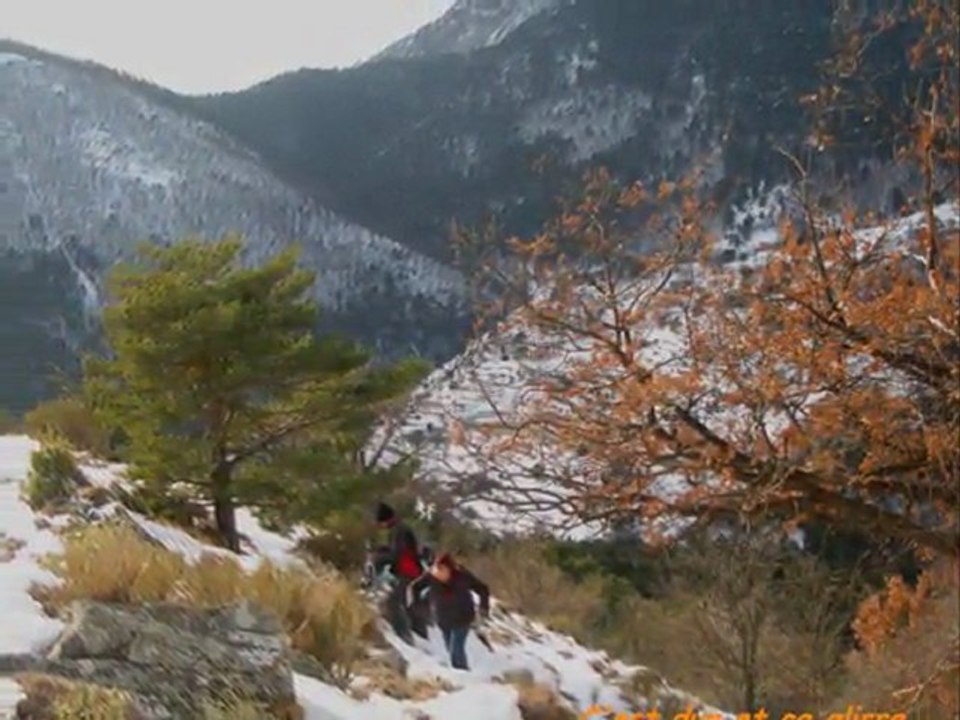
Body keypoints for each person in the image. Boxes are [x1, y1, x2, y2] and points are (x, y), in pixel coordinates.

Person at [407, 553, 490, 671]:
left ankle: (463, 675)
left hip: (463, 617)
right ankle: (465, 673)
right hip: (443, 618)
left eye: (442, 570)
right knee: (450, 649)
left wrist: (483, 607)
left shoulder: (462, 576)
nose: (439, 574)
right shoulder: (431, 576)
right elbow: (414, 587)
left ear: (450, 569)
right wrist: (415, 604)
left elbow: (482, 589)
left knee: (456, 649)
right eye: (437, 570)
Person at [372, 502, 429, 643]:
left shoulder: (399, 531)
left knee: (394, 602)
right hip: (411, 571)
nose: (381, 527)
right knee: (408, 603)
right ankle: (421, 635)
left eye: (381, 523)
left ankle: (405, 637)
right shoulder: (400, 528)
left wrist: (381, 557)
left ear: (385, 520)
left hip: (409, 571)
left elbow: (398, 553)